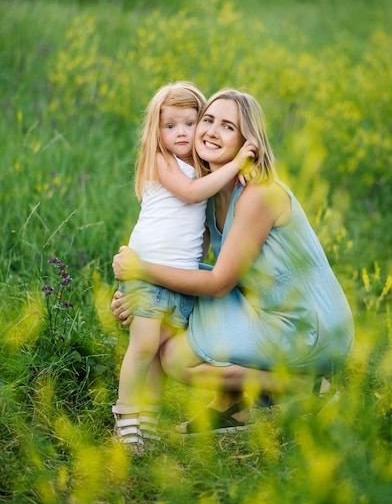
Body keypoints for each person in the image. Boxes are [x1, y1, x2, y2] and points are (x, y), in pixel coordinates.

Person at [112, 88, 355, 436]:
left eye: (227, 126)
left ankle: (307, 386)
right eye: (207, 120)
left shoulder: (259, 193)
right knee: (174, 318)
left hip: (308, 325)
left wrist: (142, 271)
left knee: (177, 359)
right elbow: (187, 265)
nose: (211, 130)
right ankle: (233, 405)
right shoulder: (212, 193)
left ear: (247, 142)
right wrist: (136, 293)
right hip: (265, 310)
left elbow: (219, 283)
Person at [112, 82, 256, 454]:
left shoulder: (202, 169)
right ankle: (125, 418)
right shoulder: (162, 161)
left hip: (181, 277)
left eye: (189, 124)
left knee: (160, 351)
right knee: (142, 346)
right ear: (156, 131)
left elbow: (204, 225)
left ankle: (148, 420)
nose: (180, 134)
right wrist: (236, 164)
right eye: (170, 126)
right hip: (148, 270)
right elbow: (193, 194)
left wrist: (235, 172)